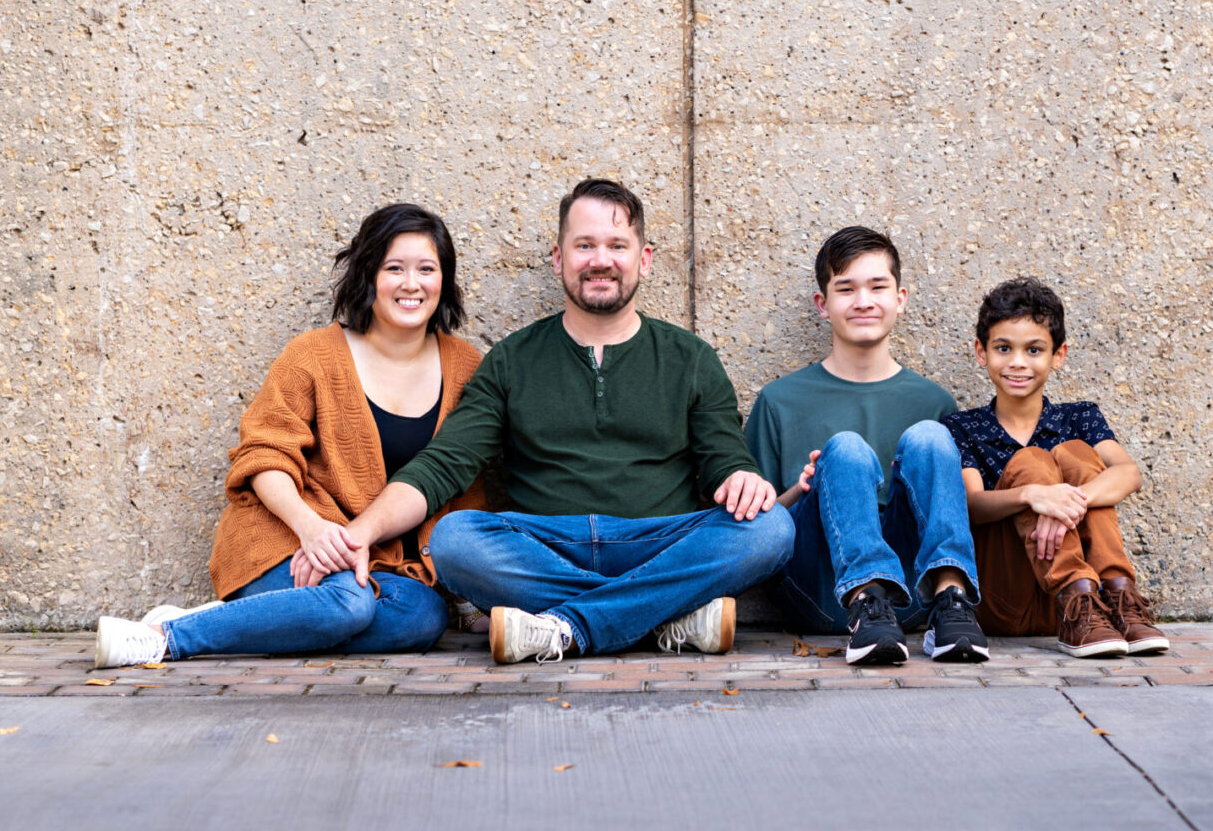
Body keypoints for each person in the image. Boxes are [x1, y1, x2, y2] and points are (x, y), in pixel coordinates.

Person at [337, 177, 794, 664]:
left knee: (773, 529)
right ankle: (660, 615)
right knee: (453, 540)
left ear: (644, 259)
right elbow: (443, 465)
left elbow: (725, 460)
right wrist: (360, 533)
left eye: (617, 245)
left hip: (661, 542)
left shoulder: (691, 358)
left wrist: (742, 478)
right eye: (585, 245)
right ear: (559, 259)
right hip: (546, 546)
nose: (601, 260)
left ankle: (570, 626)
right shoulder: (513, 359)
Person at [93, 204, 486, 668]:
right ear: (368, 275)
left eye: (427, 269)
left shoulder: (464, 367)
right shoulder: (313, 355)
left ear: (445, 279)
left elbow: (464, 483)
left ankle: (247, 620)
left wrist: (464, 587)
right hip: (287, 536)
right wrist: (313, 530)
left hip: (380, 560)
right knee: (350, 605)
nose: (411, 284)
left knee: (419, 620)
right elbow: (264, 453)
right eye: (393, 268)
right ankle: (165, 637)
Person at [744, 226, 985, 666]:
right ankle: (863, 601)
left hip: (911, 597)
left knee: (931, 437)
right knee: (847, 449)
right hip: (818, 587)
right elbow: (753, 529)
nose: (863, 301)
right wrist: (803, 489)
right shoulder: (779, 401)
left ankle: (952, 600)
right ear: (823, 304)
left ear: (900, 298)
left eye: (877, 286)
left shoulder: (933, 401)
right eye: (846, 288)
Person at [943, 277, 1168, 658]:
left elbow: (1129, 474)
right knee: (1032, 460)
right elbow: (971, 505)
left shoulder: (1079, 416)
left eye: (1034, 349)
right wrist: (1033, 496)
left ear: (1058, 355)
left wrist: (1064, 504)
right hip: (1002, 599)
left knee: (1077, 453)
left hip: (1086, 612)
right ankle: (1075, 590)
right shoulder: (963, 427)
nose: (1017, 362)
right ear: (982, 353)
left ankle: (1117, 594)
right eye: (1003, 348)